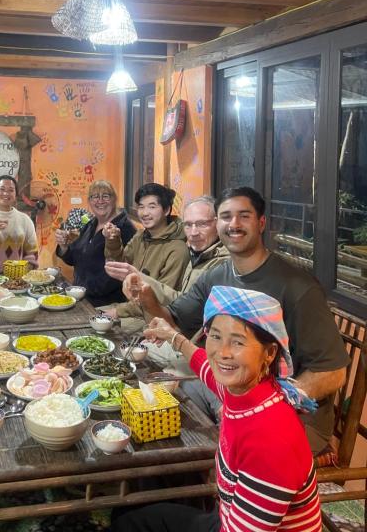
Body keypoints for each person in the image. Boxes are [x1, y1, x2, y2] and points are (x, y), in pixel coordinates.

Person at [126, 186, 349, 453]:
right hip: (229, 391)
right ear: (218, 223)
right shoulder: (217, 276)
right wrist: (148, 296)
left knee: (191, 447)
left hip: (294, 417)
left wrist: (266, 405)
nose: (234, 224)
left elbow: (333, 372)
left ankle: (202, 487)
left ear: (261, 223)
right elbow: (173, 320)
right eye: (226, 216)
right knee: (162, 404)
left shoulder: (297, 287)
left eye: (244, 216)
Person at [113, 286, 322, 532]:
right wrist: (173, 337)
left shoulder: (272, 440)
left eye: (238, 342)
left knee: (134, 521)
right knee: (130, 513)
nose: (222, 353)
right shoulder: (246, 391)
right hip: (229, 517)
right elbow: (205, 365)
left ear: (269, 353)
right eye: (215, 336)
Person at [105, 195, 227, 328]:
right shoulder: (141, 236)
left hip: (175, 329)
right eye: (187, 225)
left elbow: (183, 308)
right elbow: (118, 264)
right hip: (160, 319)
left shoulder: (220, 262)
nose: (193, 232)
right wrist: (112, 240)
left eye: (202, 224)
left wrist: (139, 280)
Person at [54, 180, 137, 306]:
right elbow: (75, 258)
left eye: (105, 196)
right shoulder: (91, 224)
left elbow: (120, 271)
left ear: (114, 199)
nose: (100, 201)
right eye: (95, 197)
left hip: (107, 304)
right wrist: (64, 246)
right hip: (82, 297)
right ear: (89, 201)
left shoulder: (124, 228)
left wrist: (86, 290)